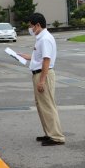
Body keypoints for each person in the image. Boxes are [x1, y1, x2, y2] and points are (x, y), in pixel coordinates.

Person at [19, 13, 65, 146]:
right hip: (39, 73)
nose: (30, 28)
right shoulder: (41, 38)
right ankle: (49, 133)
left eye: (31, 26)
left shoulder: (44, 39)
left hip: (43, 74)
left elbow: (46, 60)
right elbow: (39, 58)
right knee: (42, 106)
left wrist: (42, 81)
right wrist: (24, 56)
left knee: (48, 106)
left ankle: (56, 137)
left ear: (38, 25)